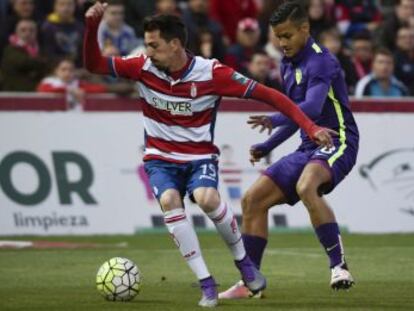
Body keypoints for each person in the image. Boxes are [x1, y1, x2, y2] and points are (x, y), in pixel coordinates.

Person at [83, 2, 334, 307]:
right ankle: (206, 283)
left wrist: (308, 127)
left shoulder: (211, 72)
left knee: (207, 199)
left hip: (199, 157)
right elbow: (94, 64)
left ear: (175, 44)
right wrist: (91, 26)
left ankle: (244, 264)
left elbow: (270, 95)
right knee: (169, 202)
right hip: (160, 157)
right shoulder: (141, 67)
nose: (147, 51)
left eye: (153, 45)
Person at [219, 1, 359, 299]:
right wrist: (267, 145)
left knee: (307, 185)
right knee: (252, 200)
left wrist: (273, 118)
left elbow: (311, 107)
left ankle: (339, 266)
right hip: (309, 144)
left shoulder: (321, 61)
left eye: (287, 36)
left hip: (338, 139)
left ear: (304, 29)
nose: (282, 43)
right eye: (278, 37)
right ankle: (249, 282)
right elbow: (300, 118)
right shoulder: (287, 64)